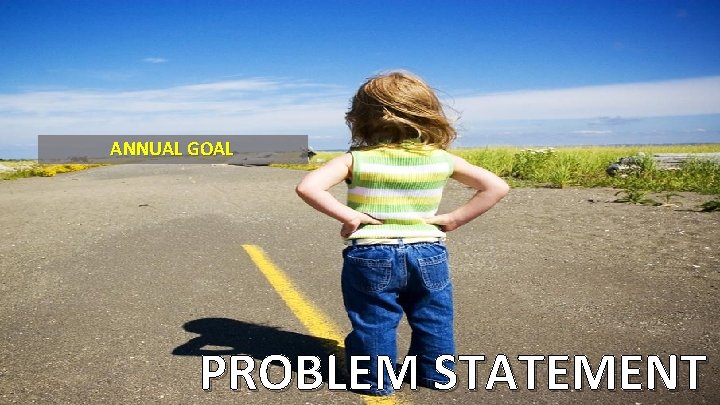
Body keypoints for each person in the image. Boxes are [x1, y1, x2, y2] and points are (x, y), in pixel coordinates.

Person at [295, 71, 509, 395]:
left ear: (360, 117)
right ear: (428, 113)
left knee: (375, 317)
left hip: (371, 250)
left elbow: (308, 187)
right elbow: (496, 187)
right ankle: (435, 375)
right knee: (433, 315)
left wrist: (350, 216)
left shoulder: (357, 159)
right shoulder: (441, 159)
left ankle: (373, 380)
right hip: (428, 249)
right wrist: (454, 219)